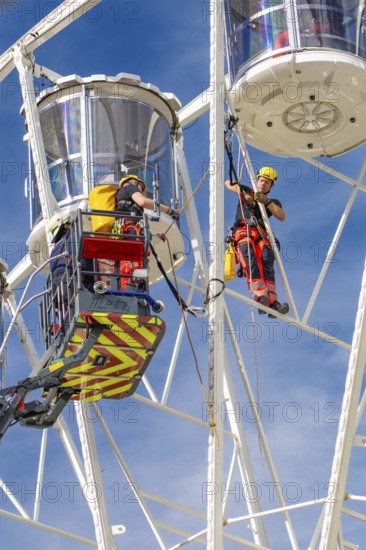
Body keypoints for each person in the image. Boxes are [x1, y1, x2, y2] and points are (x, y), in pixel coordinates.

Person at [225, 167, 289, 317]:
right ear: (257, 180)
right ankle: (260, 295)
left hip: (261, 234)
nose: (263, 184)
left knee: (267, 263)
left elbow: (281, 216)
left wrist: (266, 202)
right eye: (261, 180)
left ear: (271, 186)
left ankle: (273, 302)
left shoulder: (273, 202)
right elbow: (228, 183)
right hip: (244, 230)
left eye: (267, 182)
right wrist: (243, 193)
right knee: (250, 259)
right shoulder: (247, 189)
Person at [114, 174, 179, 289]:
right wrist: (169, 211)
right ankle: (132, 287)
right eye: (141, 189)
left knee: (125, 263)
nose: (142, 192)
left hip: (121, 231)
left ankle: (127, 286)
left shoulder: (119, 195)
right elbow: (143, 202)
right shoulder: (130, 188)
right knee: (133, 262)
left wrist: (155, 235)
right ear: (135, 183)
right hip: (130, 230)